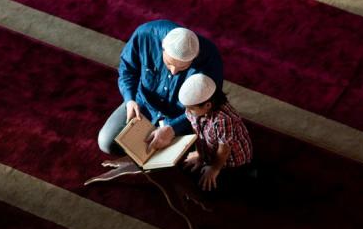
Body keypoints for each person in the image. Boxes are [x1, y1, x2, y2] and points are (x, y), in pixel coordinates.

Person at [97, 19, 224, 155]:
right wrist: (130, 99)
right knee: (106, 143)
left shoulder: (210, 59)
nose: (174, 71)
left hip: (182, 116)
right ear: (162, 46)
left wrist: (173, 128)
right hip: (143, 105)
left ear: (195, 57)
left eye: (183, 67)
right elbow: (127, 69)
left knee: (199, 160)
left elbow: (206, 104)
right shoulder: (145, 34)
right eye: (169, 63)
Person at [177, 73, 254, 192]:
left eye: (191, 109)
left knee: (205, 189)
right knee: (181, 171)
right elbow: (196, 130)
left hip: (231, 161)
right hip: (210, 152)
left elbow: (224, 151)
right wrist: (199, 154)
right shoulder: (193, 110)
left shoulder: (224, 119)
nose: (187, 111)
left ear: (207, 105)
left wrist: (214, 169)